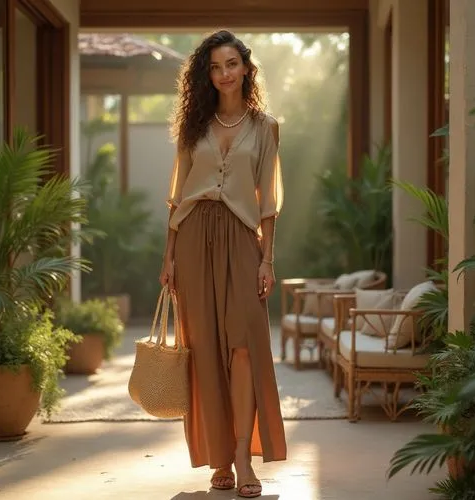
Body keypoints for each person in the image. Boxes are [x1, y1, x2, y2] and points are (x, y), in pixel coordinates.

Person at [160, 29, 287, 498]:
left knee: (244, 347)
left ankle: (242, 456)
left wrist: (267, 259)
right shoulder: (193, 125)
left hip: (240, 239)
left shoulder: (266, 126)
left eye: (231, 64)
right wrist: (168, 257)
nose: (223, 73)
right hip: (193, 239)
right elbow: (177, 198)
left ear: (246, 69)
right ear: (205, 74)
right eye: (214, 66)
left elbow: (268, 201)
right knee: (207, 349)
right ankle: (220, 461)